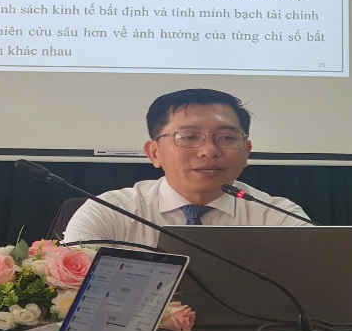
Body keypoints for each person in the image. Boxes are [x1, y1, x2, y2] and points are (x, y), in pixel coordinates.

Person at [63, 88, 310, 247]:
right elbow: (72, 297)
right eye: (189, 137)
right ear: (154, 153)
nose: (209, 150)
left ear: (246, 152)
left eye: (226, 137)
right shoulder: (109, 213)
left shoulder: (278, 218)